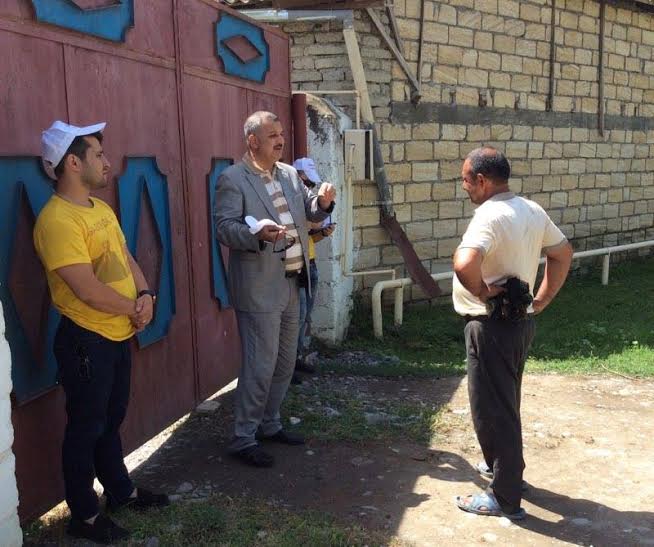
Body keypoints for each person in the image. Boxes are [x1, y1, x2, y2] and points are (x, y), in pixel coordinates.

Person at [34, 121, 169, 544]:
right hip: (86, 339)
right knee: (86, 428)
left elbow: (125, 257)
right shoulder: (57, 220)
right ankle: (85, 516)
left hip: (116, 333)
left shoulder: (100, 209)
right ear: (73, 163)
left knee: (110, 421)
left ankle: (121, 493)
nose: (107, 163)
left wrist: (145, 294)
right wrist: (134, 309)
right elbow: (85, 288)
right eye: (98, 155)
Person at [452, 147, 573, 520]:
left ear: (482, 180)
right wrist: (543, 298)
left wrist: (482, 291)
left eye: (466, 180)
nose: (464, 187)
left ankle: (504, 497)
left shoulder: (490, 215)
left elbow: (464, 262)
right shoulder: (530, 210)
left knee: (494, 409)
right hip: (519, 322)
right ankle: (503, 469)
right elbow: (563, 253)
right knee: (501, 403)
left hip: (491, 324)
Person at [214, 111, 336, 467]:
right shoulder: (233, 179)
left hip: (293, 283)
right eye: (272, 136)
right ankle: (244, 437)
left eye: (281, 134)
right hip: (258, 288)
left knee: (284, 362)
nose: (280, 140)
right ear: (252, 141)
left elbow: (309, 211)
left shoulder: (288, 174)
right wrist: (256, 235)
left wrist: (322, 202)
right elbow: (224, 228)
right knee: (260, 365)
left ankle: (269, 423)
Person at [291, 157, 336, 384]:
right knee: (296, 317)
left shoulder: (306, 198)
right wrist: (312, 224)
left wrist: (322, 234)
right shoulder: (291, 197)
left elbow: (310, 237)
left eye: (311, 184)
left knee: (305, 316)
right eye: (307, 182)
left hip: (310, 263)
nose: (309, 187)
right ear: (297, 176)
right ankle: (288, 365)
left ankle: (297, 358)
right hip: (297, 266)